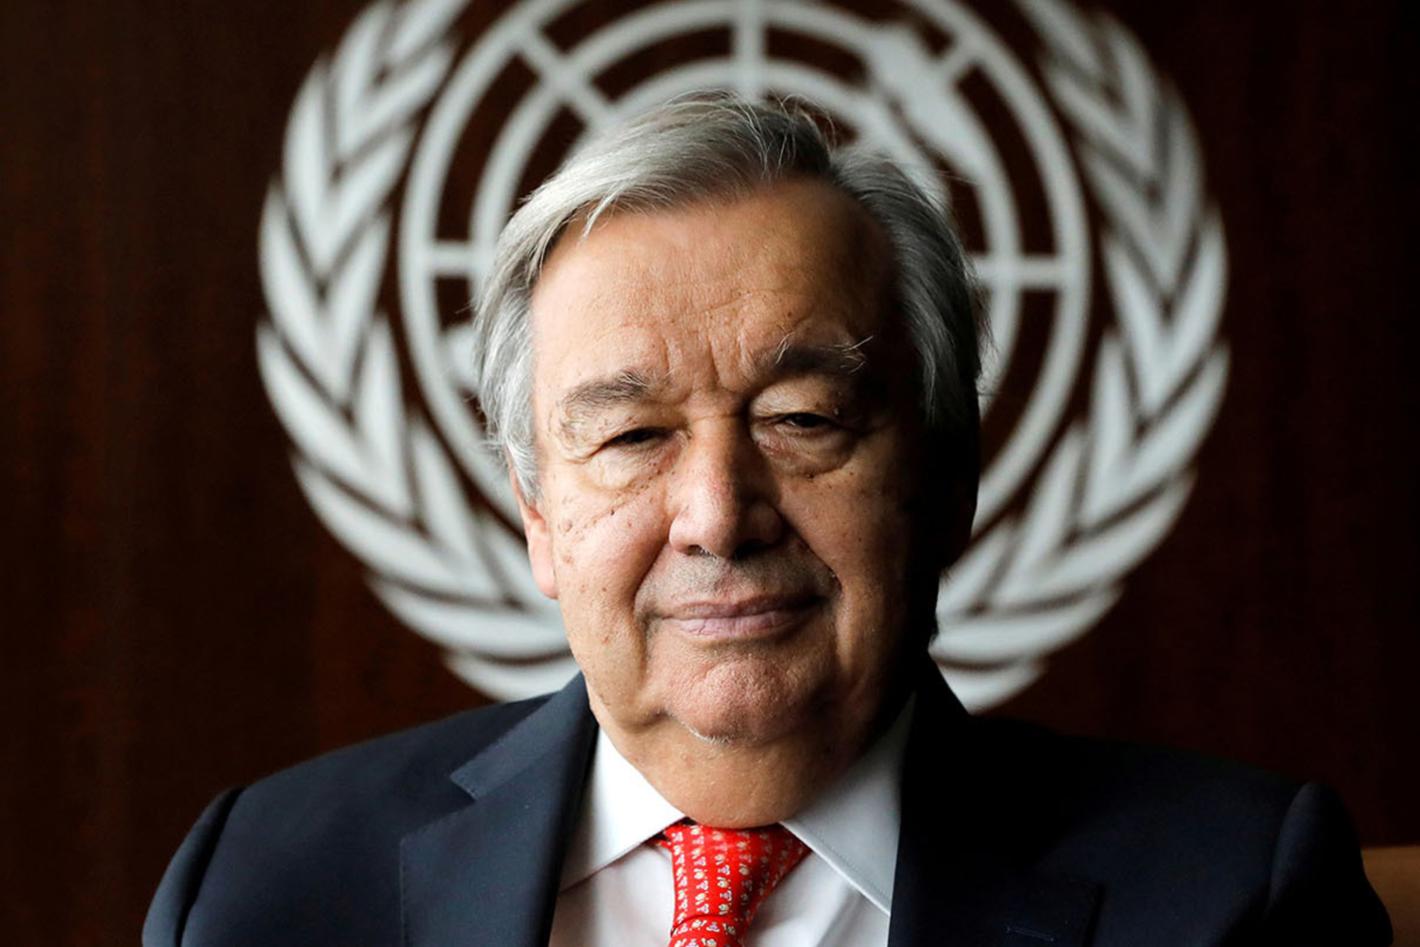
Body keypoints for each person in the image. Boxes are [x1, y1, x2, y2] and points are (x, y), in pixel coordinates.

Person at [145, 95, 1391, 946]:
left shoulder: (1233, 895)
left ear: (945, 473)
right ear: (537, 513)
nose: (716, 516)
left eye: (802, 418)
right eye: (632, 437)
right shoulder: (268, 884)